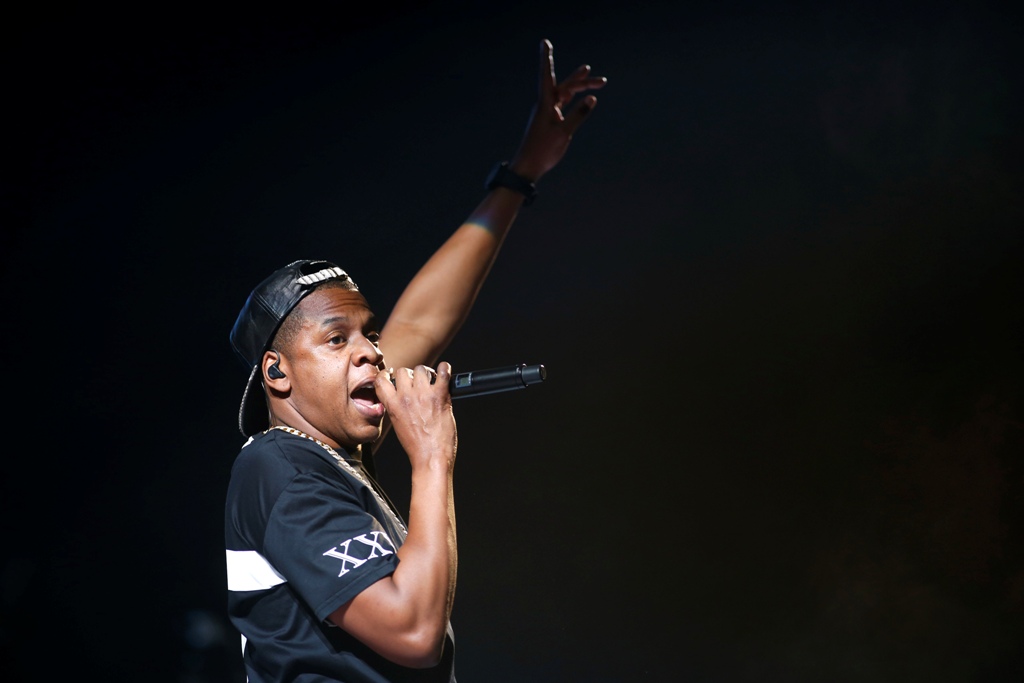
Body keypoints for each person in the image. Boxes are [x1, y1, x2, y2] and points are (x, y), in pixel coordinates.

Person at [224, 39, 606, 682]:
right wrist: (431, 457)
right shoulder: (279, 464)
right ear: (277, 372)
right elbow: (413, 632)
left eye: (368, 334)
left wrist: (520, 176)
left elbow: (423, 321)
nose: (373, 351)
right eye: (337, 338)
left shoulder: (327, 451)